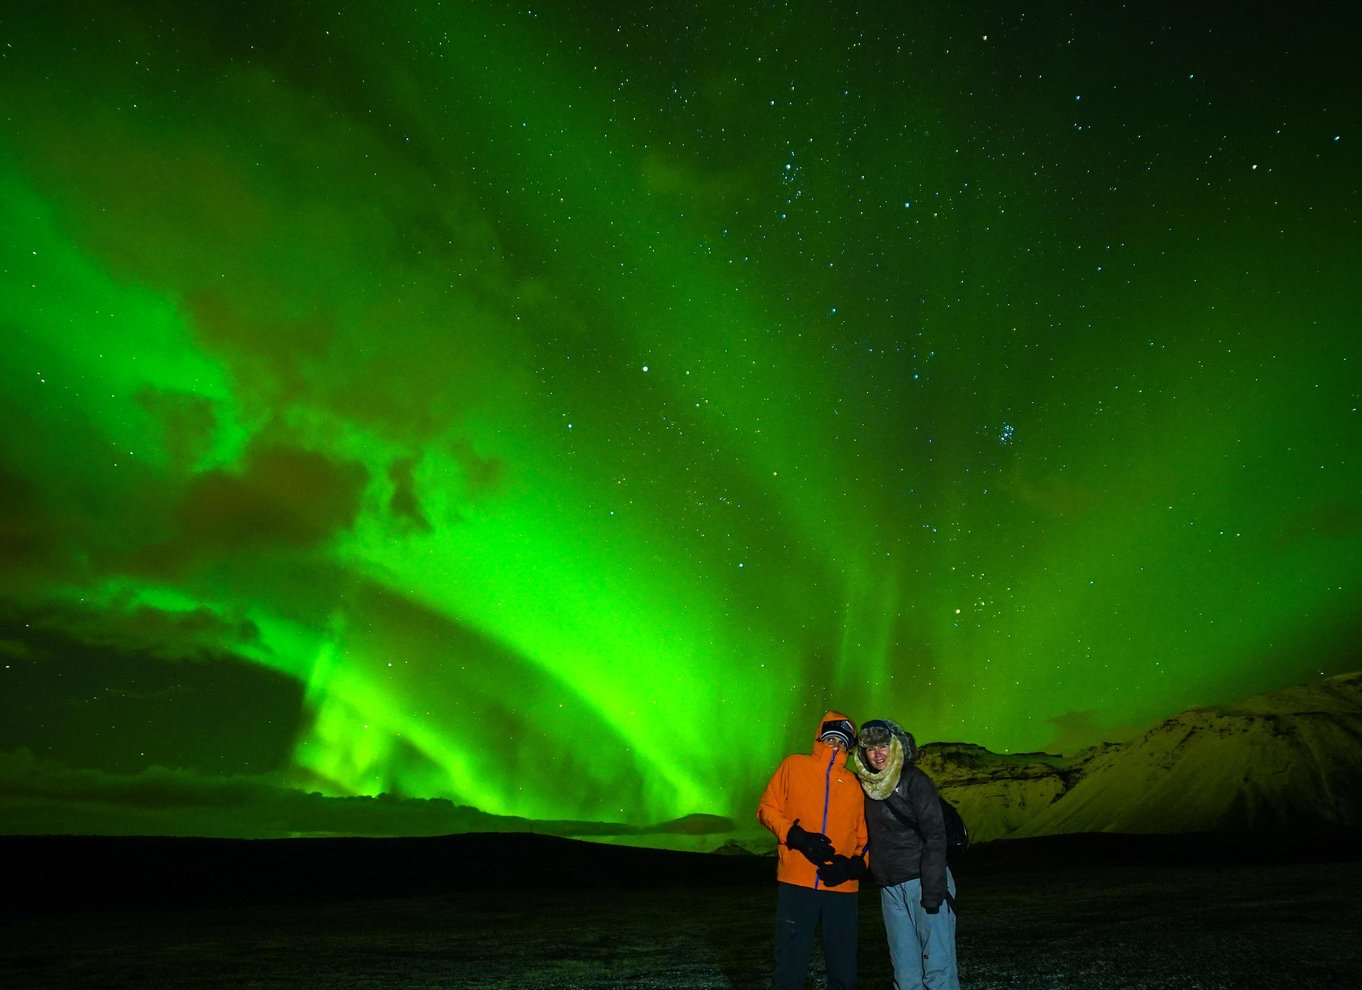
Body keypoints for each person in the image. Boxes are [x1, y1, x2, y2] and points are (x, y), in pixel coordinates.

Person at [757, 711, 869, 990]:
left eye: (843, 743)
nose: (836, 747)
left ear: (849, 748)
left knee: (844, 968)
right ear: (820, 737)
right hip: (797, 882)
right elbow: (767, 808)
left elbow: (865, 837)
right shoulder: (794, 766)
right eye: (831, 739)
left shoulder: (855, 785)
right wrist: (796, 836)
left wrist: (853, 866)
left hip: (842, 889)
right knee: (789, 967)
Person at [847, 718, 959, 990]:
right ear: (862, 752)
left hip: (924, 883)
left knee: (938, 968)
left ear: (896, 746)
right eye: (871, 748)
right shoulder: (866, 786)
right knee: (905, 974)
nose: (879, 754)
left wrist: (933, 889)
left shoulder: (914, 781)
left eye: (884, 746)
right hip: (890, 889)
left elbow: (935, 835)